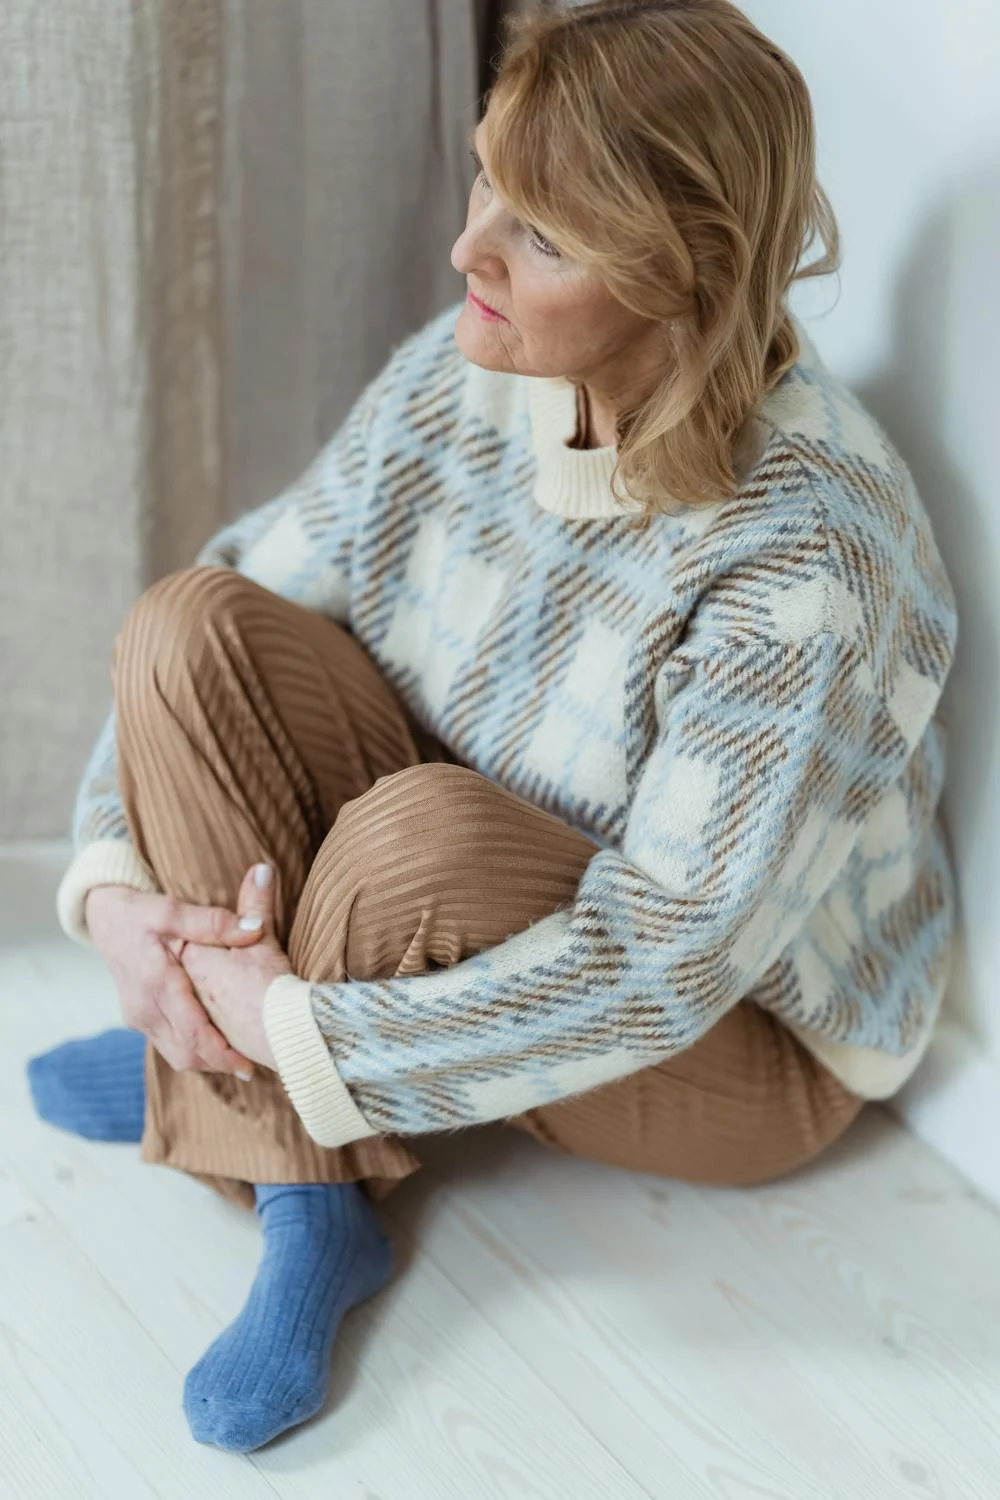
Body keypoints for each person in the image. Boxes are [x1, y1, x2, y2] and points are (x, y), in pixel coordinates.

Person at [28, 0, 958, 1457]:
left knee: (417, 841)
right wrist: (120, 900)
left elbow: (666, 960)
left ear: (687, 276)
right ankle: (269, 1131)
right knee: (183, 622)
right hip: (499, 878)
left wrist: (280, 1023)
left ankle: (249, 1113)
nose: (471, 250)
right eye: (486, 182)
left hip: (747, 1038)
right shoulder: (478, 359)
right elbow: (246, 578)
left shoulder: (810, 564)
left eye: (544, 234)